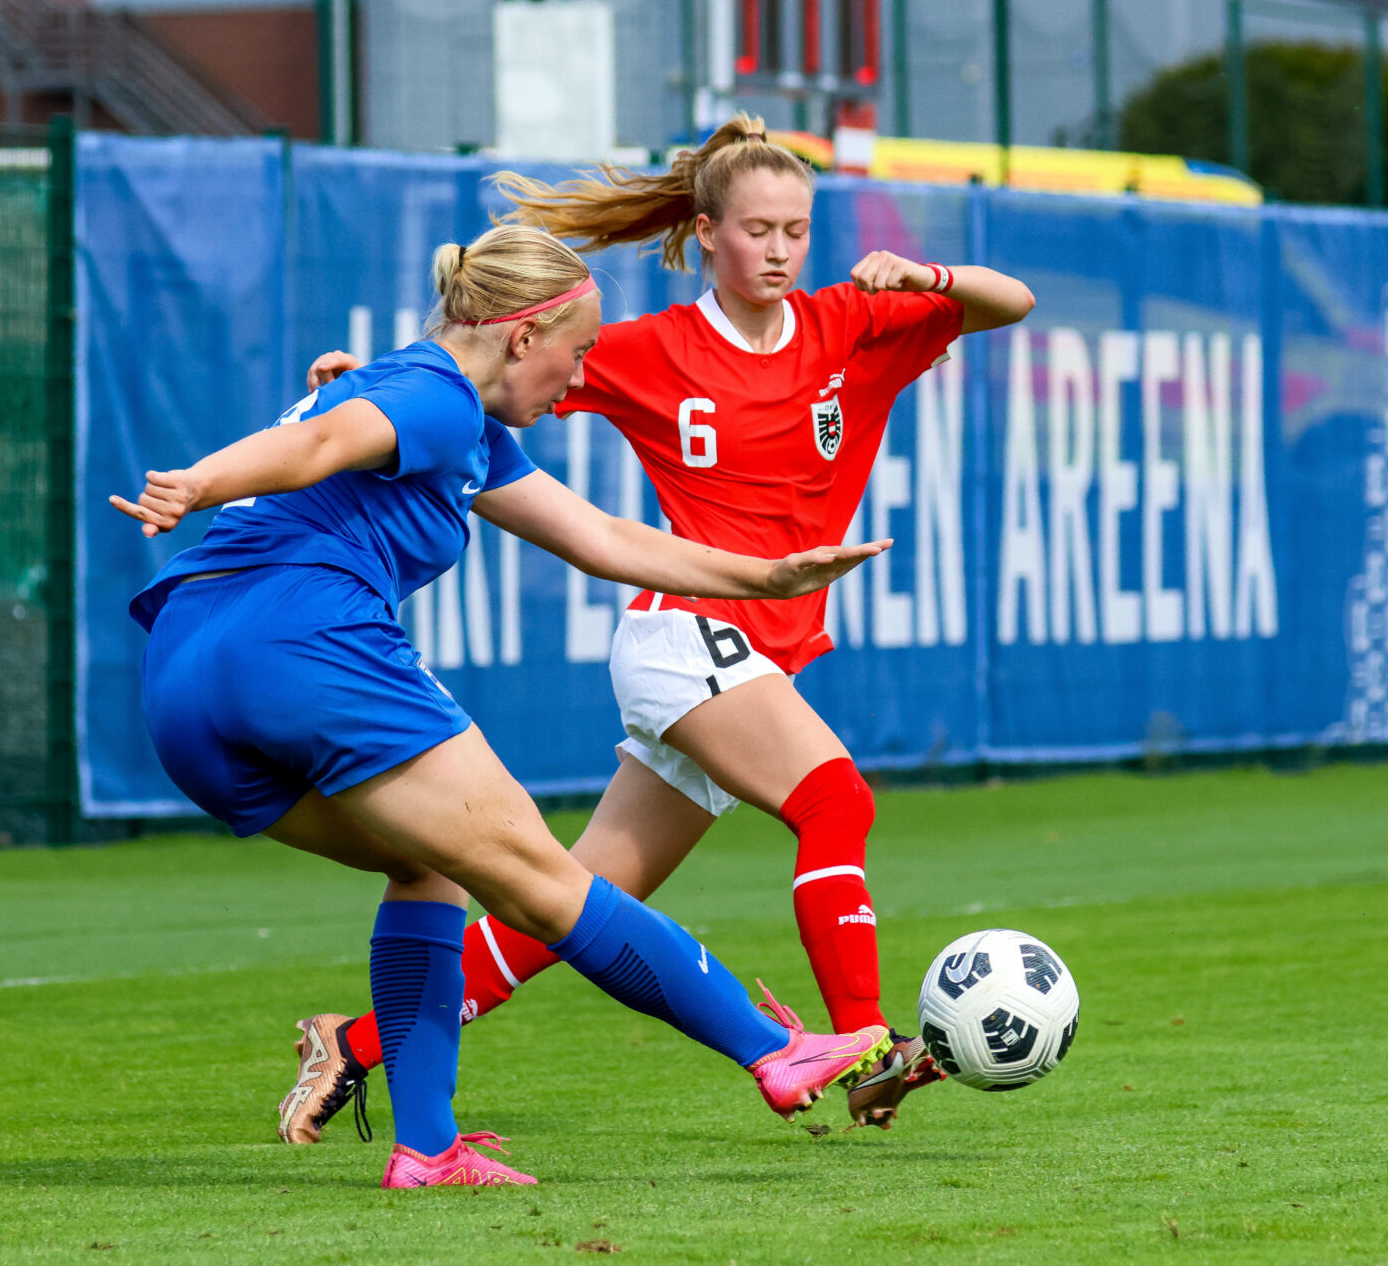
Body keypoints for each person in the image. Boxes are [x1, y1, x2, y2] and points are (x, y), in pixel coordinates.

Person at [280, 115, 1036, 1142]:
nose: (779, 249)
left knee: (568, 904)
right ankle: (865, 1044)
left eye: (798, 230)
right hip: (682, 634)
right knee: (833, 800)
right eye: (758, 228)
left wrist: (928, 275)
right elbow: (491, 368)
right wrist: (362, 384)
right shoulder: (653, 348)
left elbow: (1013, 301)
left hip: (761, 655)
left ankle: (353, 1041)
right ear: (706, 231)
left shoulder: (851, 323)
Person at [118, 220, 898, 1187]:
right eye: (574, 355)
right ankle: (773, 1051)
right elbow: (324, 439)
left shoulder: (453, 411)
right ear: (521, 336)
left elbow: (602, 537)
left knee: (428, 865)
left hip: (184, 682)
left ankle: (430, 1148)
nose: (578, 382)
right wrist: (199, 479)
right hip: (302, 638)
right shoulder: (438, 396)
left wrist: (769, 575)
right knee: (540, 877)